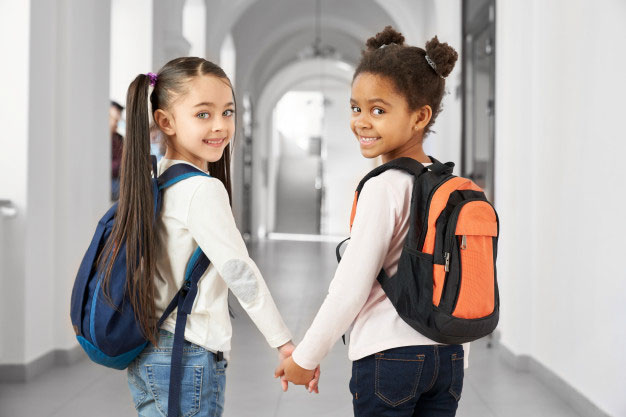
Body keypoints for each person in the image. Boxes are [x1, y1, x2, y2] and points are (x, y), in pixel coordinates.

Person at [99, 57, 317, 417]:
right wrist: (284, 343)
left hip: (150, 350)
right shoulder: (202, 189)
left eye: (227, 112)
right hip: (187, 354)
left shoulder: (161, 179)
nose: (220, 126)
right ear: (165, 121)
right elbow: (240, 272)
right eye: (203, 114)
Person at [276, 27, 467, 416]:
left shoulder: (385, 187)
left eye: (378, 110)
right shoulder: (444, 180)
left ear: (419, 117)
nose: (361, 121)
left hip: (389, 358)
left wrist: (306, 357)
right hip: (448, 357)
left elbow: (351, 286)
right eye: (355, 107)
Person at [110, 100, 124, 200]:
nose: (118, 121)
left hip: (120, 179)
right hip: (111, 181)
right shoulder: (97, 142)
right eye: (115, 119)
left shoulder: (119, 138)